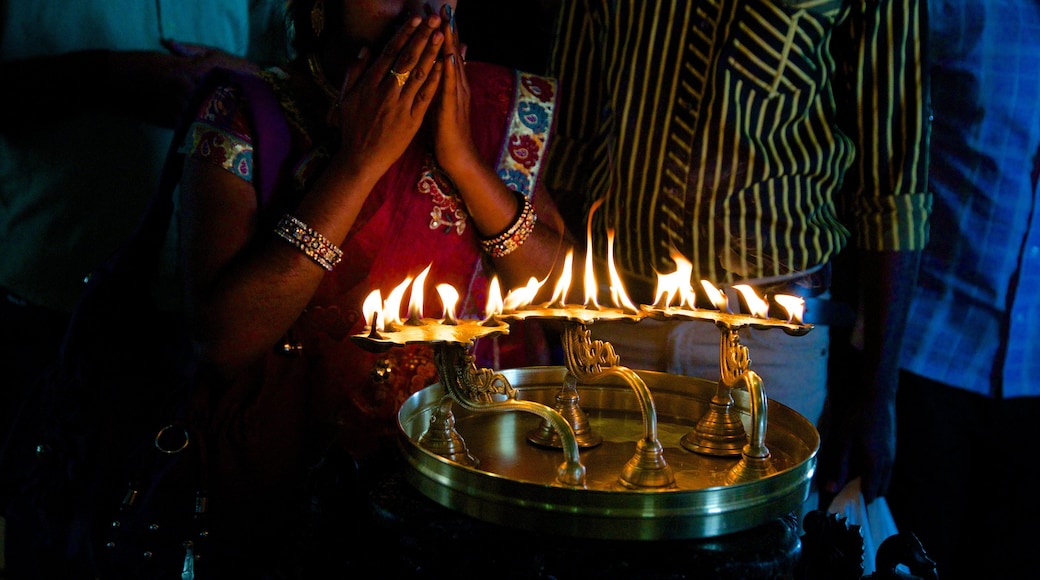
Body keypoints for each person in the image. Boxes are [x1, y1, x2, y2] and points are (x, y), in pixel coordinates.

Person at [168, 0, 571, 575]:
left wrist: (462, 161)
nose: (419, 6)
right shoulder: (246, 113)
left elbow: (557, 293)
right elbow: (223, 340)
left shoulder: (485, 108)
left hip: (462, 483)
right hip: (288, 493)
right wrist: (360, 163)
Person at [544, 0, 930, 520]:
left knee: (751, 552)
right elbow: (568, 132)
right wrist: (558, 321)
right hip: (615, 323)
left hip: (770, 344)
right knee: (597, 542)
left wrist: (877, 393)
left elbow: (894, 184)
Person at [0, 0, 289, 449]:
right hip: (55, 300)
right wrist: (102, 77)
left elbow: (301, 58)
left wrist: (254, 82)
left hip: (214, 309)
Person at [883, 2, 1040, 578]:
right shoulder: (969, 11)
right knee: (909, 561)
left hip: (1035, 382)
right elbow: (881, 137)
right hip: (932, 357)